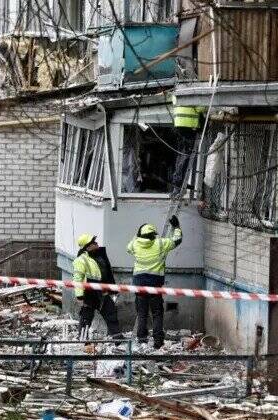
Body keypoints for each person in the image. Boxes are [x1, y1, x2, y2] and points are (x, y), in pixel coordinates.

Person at [126, 216, 183, 349]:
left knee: (142, 313)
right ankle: (158, 341)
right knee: (157, 313)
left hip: (139, 283)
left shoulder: (135, 244)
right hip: (155, 284)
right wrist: (176, 227)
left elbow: (129, 248)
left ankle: (142, 340)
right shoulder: (160, 243)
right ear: (153, 234)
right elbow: (177, 240)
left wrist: (137, 235)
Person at [72, 233, 121, 340]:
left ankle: (117, 338)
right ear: (87, 246)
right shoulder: (81, 260)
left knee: (111, 313)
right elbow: (78, 279)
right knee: (86, 318)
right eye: (93, 242)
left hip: (101, 292)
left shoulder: (99, 256)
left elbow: (107, 274)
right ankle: (83, 339)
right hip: (89, 293)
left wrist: (112, 289)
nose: (96, 243)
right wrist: (79, 295)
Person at [171, 96, 205, 194]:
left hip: (179, 125)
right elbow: (200, 108)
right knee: (186, 156)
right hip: (189, 126)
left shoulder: (177, 92)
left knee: (181, 155)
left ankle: (178, 183)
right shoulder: (193, 92)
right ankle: (179, 184)